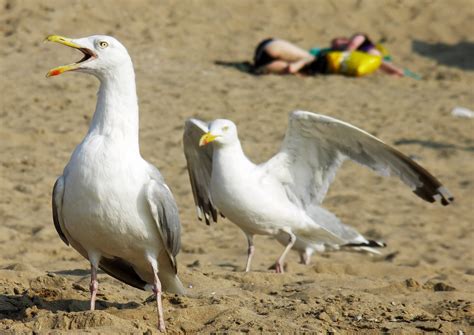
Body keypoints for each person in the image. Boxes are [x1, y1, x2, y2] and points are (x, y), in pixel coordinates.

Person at [253, 35, 405, 77]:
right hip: (271, 47)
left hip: (265, 57)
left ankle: (294, 67)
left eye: (338, 42)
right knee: (307, 59)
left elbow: (379, 62)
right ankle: (296, 67)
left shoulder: (361, 39)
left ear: (346, 39)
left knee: (304, 61)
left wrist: (394, 71)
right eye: (333, 44)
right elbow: (379, 62)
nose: (335, 45)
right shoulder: (366, 56)